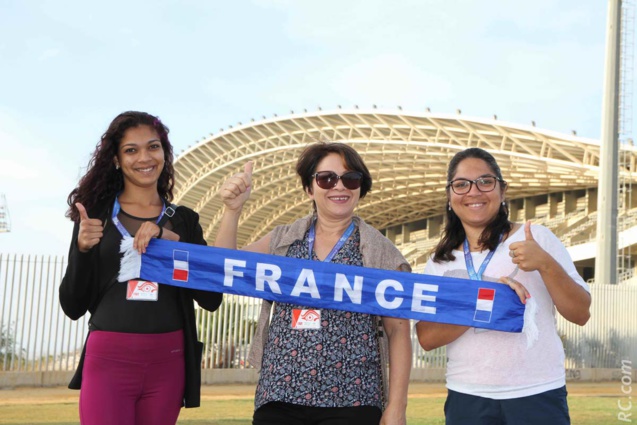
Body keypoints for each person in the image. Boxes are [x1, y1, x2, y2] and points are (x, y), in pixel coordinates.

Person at [215, 142, 412, 425]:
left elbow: (398, 332)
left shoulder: (381, 252)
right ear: (310, 188)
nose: (339, 187)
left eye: (351, 178)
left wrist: (397, 407)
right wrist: (232, 210)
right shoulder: (283, 239)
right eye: (327, 178)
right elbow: (225, 269)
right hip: (279, 396)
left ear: (360, 187)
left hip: (352, 399)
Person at [59, 111, 223, 425]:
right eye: (131, 150)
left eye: (153, 147)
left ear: (164, 153)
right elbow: (72, 305)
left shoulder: (184, 219)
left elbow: (211, 298)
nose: (144, 157)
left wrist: (172, 243)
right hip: (109, 359)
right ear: (117, 160)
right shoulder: (96, 216)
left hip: (169, 362)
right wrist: (82, 251)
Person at [415, 147, 591, 425]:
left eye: (485, 181)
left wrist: (545, 264)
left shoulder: (537, 239)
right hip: (468, 396)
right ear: (450, 197)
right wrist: (486, 302)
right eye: (461, 185)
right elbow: (426, 338)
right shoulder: (440, 262)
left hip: (538, 392)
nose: (473, 192)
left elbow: (580, 313)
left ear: (502, 190)